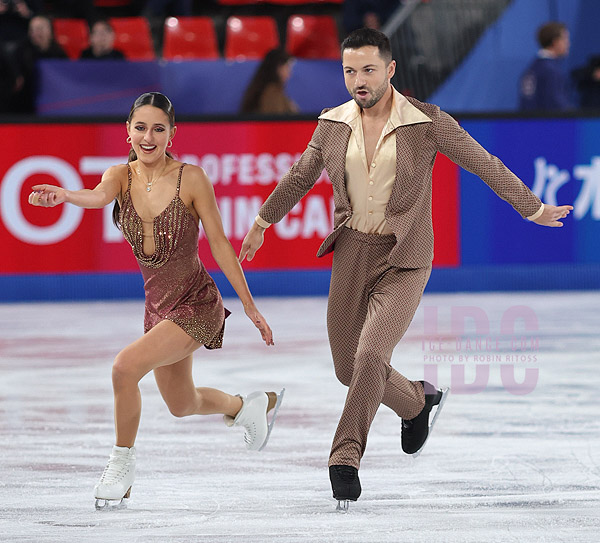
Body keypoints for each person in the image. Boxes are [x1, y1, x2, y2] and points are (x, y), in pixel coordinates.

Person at [240, 28, 573, 511]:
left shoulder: (426, 122)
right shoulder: (331, 124)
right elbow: (300, 176)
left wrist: (532, 207)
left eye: (368, 69)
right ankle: (417, 403)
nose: (358, 79)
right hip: (352, 251)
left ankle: (344, 458)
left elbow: (484, 163)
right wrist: (263, 220)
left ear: (390, 69)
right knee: (347, 368)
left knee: (370, 356)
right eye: (350, 70)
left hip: (406, 257)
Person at [28, 92, 284, 509]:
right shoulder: (120, 176)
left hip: (196, 303)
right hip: (159, 309)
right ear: (127, 132)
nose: (149, 137)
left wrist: (250, 307)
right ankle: (248, 405)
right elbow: (97, 196)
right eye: (141, 127)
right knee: (182, 404)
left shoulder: (192, 178)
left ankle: (121, 465)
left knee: (124, 368)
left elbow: (219, 245)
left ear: (172, 134)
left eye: (158, 129)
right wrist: (66, 196)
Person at [12, 14, 67, 113]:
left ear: (50, 32)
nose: (35, 33)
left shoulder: (59, 54)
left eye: (39, 29)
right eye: (32, 29)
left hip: (53, 102)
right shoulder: (21, 50)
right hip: (26, 103)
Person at [519, 21, 572, 111]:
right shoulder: (550, 70)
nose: (568, 44)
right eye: (565, 39)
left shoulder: (533, 67)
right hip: (547, 123)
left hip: (530, 123)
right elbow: (556, 104)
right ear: (555, 42)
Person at [239, 48, 299, 115]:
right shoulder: (271, 92)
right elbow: (276, 122)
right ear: (278, 68)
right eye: (287, 67)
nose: (289, 73)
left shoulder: (264, 89)